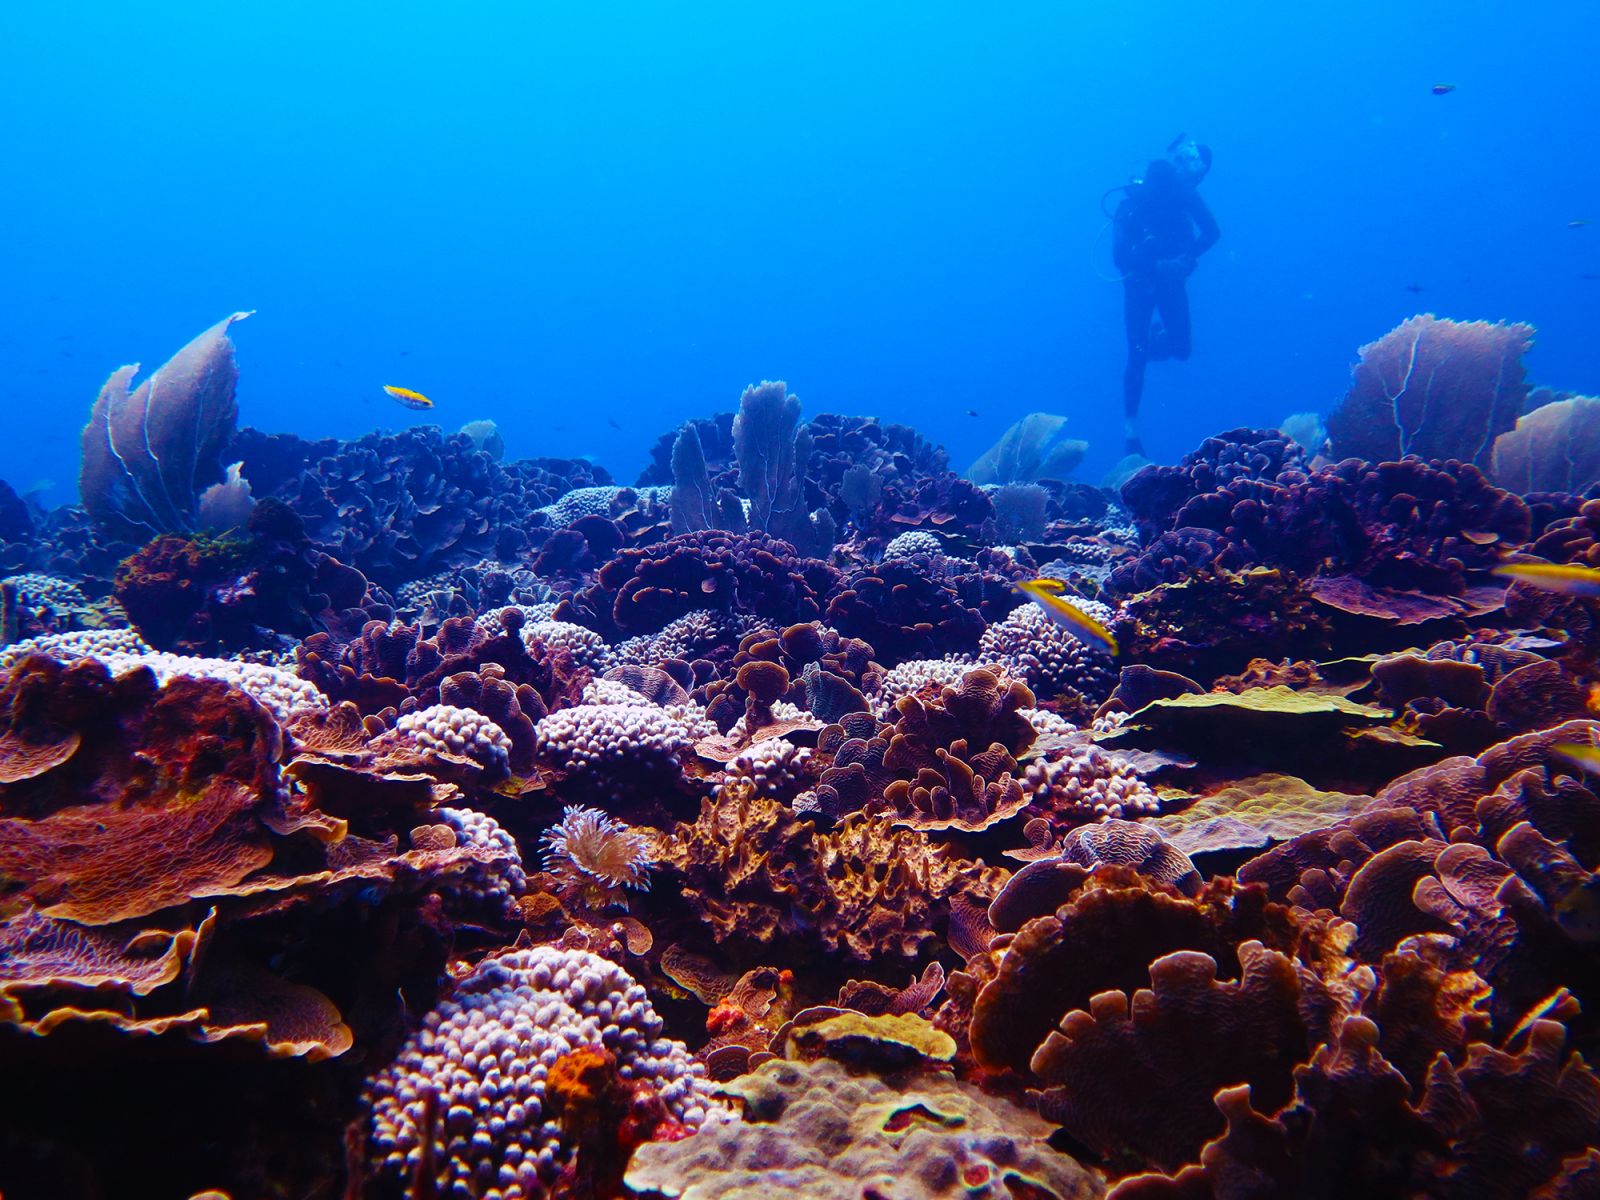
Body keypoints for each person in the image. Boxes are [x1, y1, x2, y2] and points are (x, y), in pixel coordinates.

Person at [1112, 137, 1220, 456]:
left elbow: (1212, 232)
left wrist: (1186, 259)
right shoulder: (1135, 199)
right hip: (1141, 284)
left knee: (1179, 350)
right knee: (1136, 352)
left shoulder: (1183, 195)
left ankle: (1154, 339)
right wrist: (1161, 264)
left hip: (1168, 282)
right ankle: (1130, 430)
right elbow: (1119, 255)